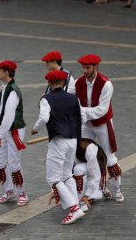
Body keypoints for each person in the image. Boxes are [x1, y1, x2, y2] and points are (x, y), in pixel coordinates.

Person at [68, 54, 124, 203]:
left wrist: (82, 112)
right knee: (83, 154)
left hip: (102, 123)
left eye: (88, 68)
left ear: (95, 67)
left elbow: (102, 110)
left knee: (109, 156)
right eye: (83, 68)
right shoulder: (78, 82)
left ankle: (118, 189)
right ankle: (94, 190)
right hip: (86, 124)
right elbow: (67, 96)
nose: (85, 71)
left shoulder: (106, 84)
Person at [31, 70, 85, 225]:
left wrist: (35, 128)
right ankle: (76, 205)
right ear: (63, 83)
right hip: (73, 139)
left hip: (58, 140)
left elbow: (43, 118)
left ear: (49, 84)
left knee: (53, 178)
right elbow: (81, 117)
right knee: (67, 174)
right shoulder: (74, 98)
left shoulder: (46, 99)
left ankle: (74, 209)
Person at [0, 60, 28, 206]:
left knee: (14, 164)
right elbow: (2, 111)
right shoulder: (6, 88)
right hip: (6, 130)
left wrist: (0, 135)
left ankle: (22, 194)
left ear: (6, 72)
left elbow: (9, 116)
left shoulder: (13, 90)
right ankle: (10, 191)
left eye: (0, 70)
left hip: (14, 131)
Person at [73, 138, 107, 212]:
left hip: (99, 162)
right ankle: (101, 188)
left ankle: (83, 201)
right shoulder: (71, 147)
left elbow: (95, 175)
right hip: (85, 162)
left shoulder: (89, 149)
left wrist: (86, 195)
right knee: (77, 170)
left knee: (78, 169)